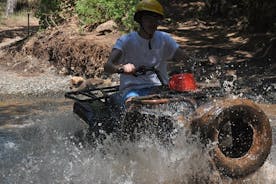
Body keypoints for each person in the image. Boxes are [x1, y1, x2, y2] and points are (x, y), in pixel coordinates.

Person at [104, 0, 192, 107]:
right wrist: (121, 68)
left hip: (160, 88)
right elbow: (107, 66)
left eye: (155, 19)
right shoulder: (126, 41)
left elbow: (185, 59)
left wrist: (205, 62)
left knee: (186, 103)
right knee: (133, 106)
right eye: (148, 19)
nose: (152, 23)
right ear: (140, 20)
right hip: (132, 90)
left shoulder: (165, 39)